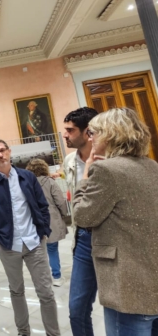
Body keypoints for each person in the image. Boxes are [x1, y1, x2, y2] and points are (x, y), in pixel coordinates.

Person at [73, 108, 158, 335]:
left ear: (109, 134)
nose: (90, 138)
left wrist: (86, 174)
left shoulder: (105, 170)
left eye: (93, 133)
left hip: (127, 289)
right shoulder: (152, 165)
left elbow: (82, 216)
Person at [0, 139, 60, 336]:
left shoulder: (27, 176)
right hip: (7, 245)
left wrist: (43, 231)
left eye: (3, 150)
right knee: (16, 290)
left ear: (9, 151)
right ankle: (23, 332)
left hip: (34, 242)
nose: (0, 155)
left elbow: (42, 205)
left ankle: (53, 333)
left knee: (46, 292)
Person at [62, 107, 99, 336]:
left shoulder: (111, 158)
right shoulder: (69, 161)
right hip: (83, 239)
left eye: (70, 130)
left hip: (112, 238)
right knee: (77, 310)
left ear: (88, 132)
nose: (65, 135)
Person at [26, 159, 68, 287]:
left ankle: (41, 279)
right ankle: (56, 277)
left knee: (37, 251)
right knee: (52, 249)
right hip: (51, 219)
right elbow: (60, 201)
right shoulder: (50, 182)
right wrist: (63, 214)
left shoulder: (27, 184)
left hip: (33, 220)